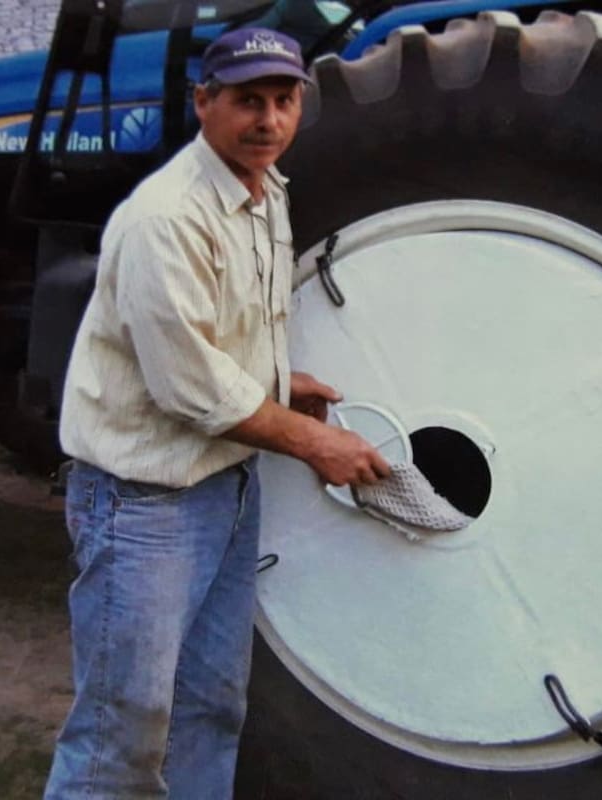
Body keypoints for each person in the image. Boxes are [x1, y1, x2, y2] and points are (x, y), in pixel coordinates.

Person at [44, 27, 390, 799]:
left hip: (227, 491)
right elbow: (190, 387)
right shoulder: (165, 217)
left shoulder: (265, 193)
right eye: (247, 102)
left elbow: (217, 333)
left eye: (284, 100)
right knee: (120, 734)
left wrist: (278, 379)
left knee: (212, 709)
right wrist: (310, 442)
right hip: (144, 507)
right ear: (203, 103)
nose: (268, 120)